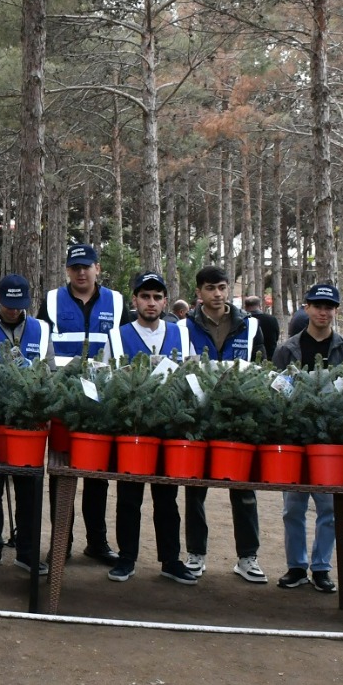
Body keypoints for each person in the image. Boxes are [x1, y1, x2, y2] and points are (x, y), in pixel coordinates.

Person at [270, 283, 343, 594]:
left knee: (329, 508)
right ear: (306, 307)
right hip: (295, 439)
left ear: (336, 310)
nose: (324, 312)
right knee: (292, 508)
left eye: (330, 306)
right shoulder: (286, 350)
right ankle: (296, 566)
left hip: (331, 443)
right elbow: (275, 390)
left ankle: (321, 568)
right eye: (318, 305)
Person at [107, 271, 196, 584]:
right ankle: (126, 557)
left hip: (169, 429)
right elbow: (109, 378)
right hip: (133, 429)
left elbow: (192, 374)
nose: (151, 302)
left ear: (165, 301)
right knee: (129, 497)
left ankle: (170, 559)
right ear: (134, 299)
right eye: (145, 296)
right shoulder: (118, 336)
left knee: (167, 498)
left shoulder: (181, 334)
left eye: (157, 297)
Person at [37, 242, 123, 565]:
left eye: (87, 266)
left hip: (101, 399)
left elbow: (124, 344)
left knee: (97, 474)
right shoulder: (51, 301)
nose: (81, 272)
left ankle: (97, 542)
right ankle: (62, 543)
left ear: (98, 268)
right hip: (62, 399)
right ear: (67, 271)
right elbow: (40, 341)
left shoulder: (115, 301)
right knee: (60, 473)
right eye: (75, 267)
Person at [182, 265, 265, 582]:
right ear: (198, 293)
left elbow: (262, 367)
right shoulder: (183, 327)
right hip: (198, 416)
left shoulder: (250, 325)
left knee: (243, 490)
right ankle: (195, 554)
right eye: (210, 288)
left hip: (238, 417)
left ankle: (248, 557)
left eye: (222, 287)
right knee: (195, 489)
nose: (217, 294)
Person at [0, 274, 48, 575]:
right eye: (8, 304)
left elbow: (50, 370)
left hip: (28, 425)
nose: (13, 310)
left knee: (29, 491)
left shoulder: (41, 330)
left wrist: (38, 375)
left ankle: (26, 553)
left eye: (19, 305)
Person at [242, 295, 280, 360]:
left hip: (248, 359)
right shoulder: (271, 319)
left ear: (245, 307)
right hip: (270, 357)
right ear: (260, 306)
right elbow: (276, 336)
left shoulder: (243, 321)